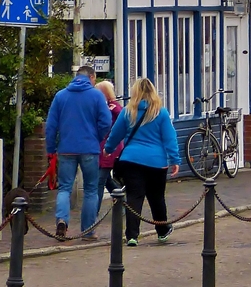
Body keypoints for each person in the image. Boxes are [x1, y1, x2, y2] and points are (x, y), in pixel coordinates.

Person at [104, 77, 181, 247]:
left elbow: (115, 134)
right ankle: (162, 231)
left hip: (131, 160)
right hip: (156, 162)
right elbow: (169, 138)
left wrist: (108, 149)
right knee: (157, 198)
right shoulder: (161, 112)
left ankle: (132, 236)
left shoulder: (127, 111)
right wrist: (175, 159)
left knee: (134, 197)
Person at [45, 64, 112, 240]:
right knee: (91, 190)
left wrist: (51, 149)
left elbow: (51, 126)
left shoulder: (60, 96)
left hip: (66, 149)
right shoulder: (97, 96)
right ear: (91, 77)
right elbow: (106, 122)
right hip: (90, 149)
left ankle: (62, 220)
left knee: (65, 188)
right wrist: (95, 138)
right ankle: (88, 231)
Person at [96, 81, 125, 203]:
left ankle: (94, 212)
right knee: (107, 180)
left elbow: (123, 120)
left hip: (109, 149)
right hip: (102, 147)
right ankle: (122, 200)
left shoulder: (114, 108)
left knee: (99, 181)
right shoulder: (105, 107)